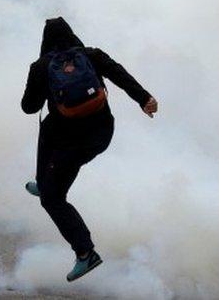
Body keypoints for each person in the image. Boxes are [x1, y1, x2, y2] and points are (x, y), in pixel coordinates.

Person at [21, 17, 157, 282]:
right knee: (49, 128)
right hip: (101, 136)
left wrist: (42, 86)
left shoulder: (41, 66)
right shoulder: (91, 55)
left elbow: (28, 106)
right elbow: (120, 74)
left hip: (69, 145)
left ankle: (86, 253)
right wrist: (145, 99)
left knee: (52, 199)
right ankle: (43, 180)